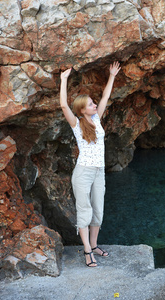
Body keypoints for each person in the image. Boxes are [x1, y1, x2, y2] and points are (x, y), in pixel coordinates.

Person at [59, 61, 121, 267]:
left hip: (99, 171)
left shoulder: (97, 119)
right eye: (91, 104)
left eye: (94, 103)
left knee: (98, 210)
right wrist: (64, 79)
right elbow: (63, 106)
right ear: (82, 110)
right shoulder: (77, 125)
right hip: (83, 172)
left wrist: (112, 75)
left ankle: (94, 245)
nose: (95, 105)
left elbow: (106, 97)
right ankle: (87, 250)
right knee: (84, 210)